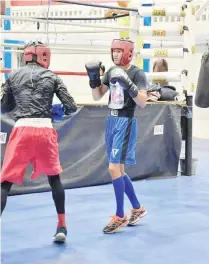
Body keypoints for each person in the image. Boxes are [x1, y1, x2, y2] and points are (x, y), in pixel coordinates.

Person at [0, 41, 78, 243]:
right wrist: (53, 111)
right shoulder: (52, 76)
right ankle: (62, 227)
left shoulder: (14, 75)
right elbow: (71, 107)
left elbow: (3, 107)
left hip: (22, 130)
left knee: (5, 183)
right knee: (54, 179)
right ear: (44, 56)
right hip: (45, 130)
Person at [85, 38, 156, 234]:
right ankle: (138, 208)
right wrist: (93, 79)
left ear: (128, 52)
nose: (115, 54)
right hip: (112, 121)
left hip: (126, 121)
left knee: (113, 168)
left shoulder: (137, 73)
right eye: (113, 50)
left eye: (118, 51)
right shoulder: (111, 70)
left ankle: (120, 215)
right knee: (119, 171)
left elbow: (142, 101)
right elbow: (98, 95)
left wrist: (128, 84)